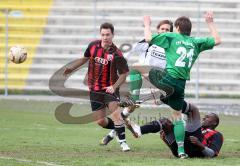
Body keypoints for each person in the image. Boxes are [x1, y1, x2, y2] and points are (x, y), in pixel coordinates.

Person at [141, 11, 221, 158]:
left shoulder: (172, 37)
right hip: (180, 85)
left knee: (142, 70)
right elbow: (217, 40)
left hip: (168, 79)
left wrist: (147, 24)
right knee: (177, 117)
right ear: (189, 30)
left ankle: (137, 97)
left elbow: (148, 38)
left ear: (176, 27)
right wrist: (210, 23)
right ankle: (182, 151)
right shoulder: (196, 42)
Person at [100, 20, 173, 145]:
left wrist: (160, 89)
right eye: (162, 29)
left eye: (167, 30)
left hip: (156, 82)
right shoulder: (148, 42)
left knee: (131, 106)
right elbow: (130, 51)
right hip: (141, 80)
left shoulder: (171, 48)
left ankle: (113, 133)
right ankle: (113, 133)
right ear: (157, 30)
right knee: (131, 106)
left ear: (171, 32)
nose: (164, 31)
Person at [63, 22, 131, 151]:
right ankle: (118, 128)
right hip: (94, 89)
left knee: (115, 113)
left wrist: (114, 86)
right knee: (100, 121)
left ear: (113, 35)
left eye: (108, 34)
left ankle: (123, 143)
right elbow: (85, 58)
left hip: (110, 88)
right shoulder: (93, 46)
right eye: (103, 34)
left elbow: (124, 74)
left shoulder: (117, 54)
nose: (105, 37)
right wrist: (72, 68)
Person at [128, 103, 224, 158]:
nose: (204, 118)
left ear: (214, 123)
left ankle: (171, 99)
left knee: (193, 110)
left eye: (207, 117)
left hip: (194, 149)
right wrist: (166, 140)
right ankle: (139, 130)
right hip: (180, 150)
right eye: (205, 116)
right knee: (165, 122)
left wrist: (200, 144)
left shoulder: (217, 135)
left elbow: (213, 154)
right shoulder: (197, 128)